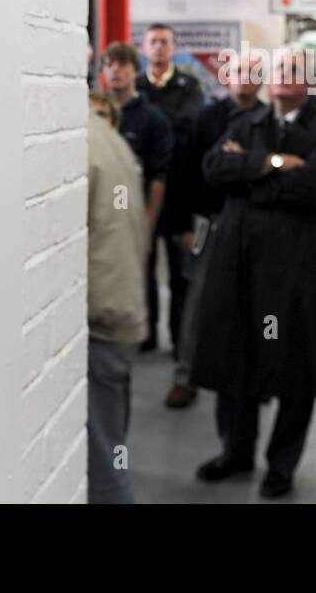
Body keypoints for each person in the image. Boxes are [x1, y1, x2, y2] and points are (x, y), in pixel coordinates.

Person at [190, 47, 316, 498]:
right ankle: (236, 451)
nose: (283, 75)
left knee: (295, 367)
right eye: (279, 68)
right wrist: (273, 163)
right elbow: (213, 168)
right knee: (236, 356)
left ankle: (281, 464)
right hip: (242, 261)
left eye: (294, 70)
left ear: (311, 82)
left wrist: (250, 178)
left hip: (299, 266)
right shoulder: (247, 122)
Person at [163, 52, 265, 409]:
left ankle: (250, 377)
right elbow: (183, 174)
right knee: (198, 303)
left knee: (254, 304)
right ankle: (185, 377)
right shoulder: (207, 119)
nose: (244, 77)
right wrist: (182, 225)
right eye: (238, 71)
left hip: (256, 226)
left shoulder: (269, 122)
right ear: (226, 77)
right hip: (210, 222)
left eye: (252, 72)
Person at [85, 92, 149, 503]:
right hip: (119, 311)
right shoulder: (108, 138)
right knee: (112, 452)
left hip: (100, 321)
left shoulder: (75, 140)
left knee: (105, 470)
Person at [136, 24, 205, 355]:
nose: (159, 47)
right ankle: (146, 333)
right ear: (144, 48)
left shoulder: (189, 86)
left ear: (174, 48)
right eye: (154, 42)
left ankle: (180, 337)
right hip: (142, 193)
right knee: (142, 267)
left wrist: (147, 122)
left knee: (181, 273)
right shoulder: (136, 85)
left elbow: (190, 122)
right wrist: (165, 123)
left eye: (165, 42)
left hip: (179, 193)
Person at [102, 42, 173, 345]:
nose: (116, 70)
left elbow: (159, 177)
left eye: (122, 64)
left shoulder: (152, 119)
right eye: (110, 65)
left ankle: (147, 334)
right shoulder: (96, 113)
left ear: (134, 70)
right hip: (103, 214)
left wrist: (148, 222)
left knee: (142, 274)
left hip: (136, 211)